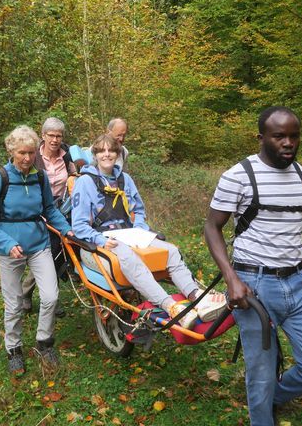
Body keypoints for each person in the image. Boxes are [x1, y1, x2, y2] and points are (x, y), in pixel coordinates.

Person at [203, 107, 302, 425]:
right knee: (260, 375)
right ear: (262, 138)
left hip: (298, 284)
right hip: (254, 286)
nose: (288, 142)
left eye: (293, 136)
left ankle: (273, 397)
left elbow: (287, 227)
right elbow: (211, 228)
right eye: (279, 136)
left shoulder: (301, 174)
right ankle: (262, 411)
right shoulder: (238, 176)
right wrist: (231, 278)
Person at [72, 134, 227, 328]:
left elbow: (138, 210)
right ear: (95, 154)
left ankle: (198, 298)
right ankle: (172, 307)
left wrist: (141, 231)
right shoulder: (84, 182)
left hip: (130, 233)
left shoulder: (125, 179)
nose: (107, 154)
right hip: (103, 238)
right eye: (101, 150)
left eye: (111, 150)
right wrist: (100, 240)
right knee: (128, 257)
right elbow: (79, 225)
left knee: (170, 251)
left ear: (117, 153)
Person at [0, 125, 73, 376]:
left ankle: (44, 343)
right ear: (11, 151)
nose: (27, 158)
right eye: (22, 153)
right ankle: (14, 349)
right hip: (9, 248)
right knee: (15, 304)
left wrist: (66, 230)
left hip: (39, 243)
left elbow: (50, 210)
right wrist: (8, 243)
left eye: (31, 153)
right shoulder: (0, 178)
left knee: (51, 296)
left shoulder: (40, 176)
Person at [21, 117, 77, 316]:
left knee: (56, 255)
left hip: (59, 212)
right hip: (35, 212)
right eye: (51, 135)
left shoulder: (67, 156)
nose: (55, 140)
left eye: (58, 136)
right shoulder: (32, 157)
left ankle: (49, 299)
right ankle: (26, 293)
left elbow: (74, 177)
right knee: (40, 255)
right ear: (43, 136)